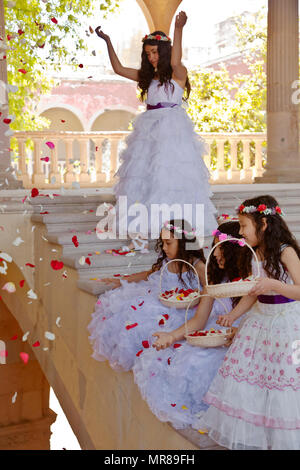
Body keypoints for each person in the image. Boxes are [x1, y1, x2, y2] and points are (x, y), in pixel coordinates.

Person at [95, 11, 216, 251]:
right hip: (149, 128)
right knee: (144, 177)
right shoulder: (148, 78)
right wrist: (108, 41)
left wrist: (178, 30)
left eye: (155, 52)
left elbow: (174, 61)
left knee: (170, 178)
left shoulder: (178, 73)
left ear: (164, 51)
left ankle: (176, 230)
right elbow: (118, 69)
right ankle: (142, 229)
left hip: (172, 129)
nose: (151, 57)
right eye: (148, 53)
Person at [197, 195, 300, 450]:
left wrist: (276, 285)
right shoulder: (254, 253)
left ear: (263, 224)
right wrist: (233, 315)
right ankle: (259, 432)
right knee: (255, 378)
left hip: (285, 323)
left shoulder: (285, 251)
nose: (240, 232)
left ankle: (283, 435)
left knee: (283, 380)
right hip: (259, 322)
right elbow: (252, 293)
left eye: (244, 226)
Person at [132, 221, 248, 429]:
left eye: (221, 248)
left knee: (207, 367)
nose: (216, 254)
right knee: (186, 360)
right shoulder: (214, 281)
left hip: (244, 339)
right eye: (214, 247)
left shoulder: (251, 281)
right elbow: (198, 320)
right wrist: (171, 337)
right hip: (214, 334)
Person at [87, 219, 206, 371]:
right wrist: (122, 280)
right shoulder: (168, 262)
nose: (164, 248)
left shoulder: (197, 266)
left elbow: (210, 289)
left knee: (149, 326)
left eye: (168, 243)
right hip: (161, 300)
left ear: (183, 243)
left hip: (185, 309)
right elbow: (149, 274)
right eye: (162, 243)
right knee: (127, 314)